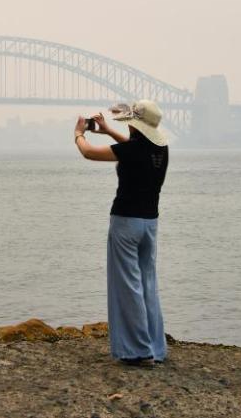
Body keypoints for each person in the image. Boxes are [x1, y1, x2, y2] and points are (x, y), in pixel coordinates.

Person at [73, 99, 170, 366]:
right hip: (150, 224)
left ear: (135, 125)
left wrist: (79, 135)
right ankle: (155, 348)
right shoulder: (160, 149)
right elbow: (131, 149)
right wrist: (108, 131)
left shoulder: (133, 150)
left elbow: (89, 153)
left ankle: (138, 351)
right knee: (147, 285)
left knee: (127, 286)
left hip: (126, 222)